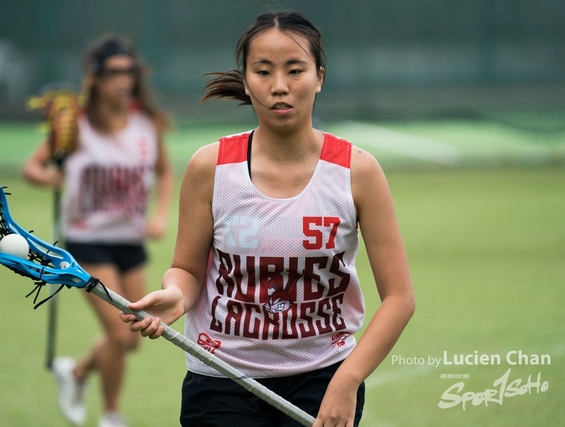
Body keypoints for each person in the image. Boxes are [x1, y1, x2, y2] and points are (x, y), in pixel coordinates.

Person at [121, 10, 415, 427]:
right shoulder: (210, 167)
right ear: (246, 80)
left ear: (320, 77)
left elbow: (400, 298)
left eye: (295, 70)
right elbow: (187, 268)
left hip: (323, 378)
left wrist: (347, 380)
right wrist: (177, 295)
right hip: (219, 377)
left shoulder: (357, 172)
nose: (279, 87)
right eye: (263, 71)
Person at [23, 34, 174, 427]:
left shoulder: (144, 123)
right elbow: (33, 168)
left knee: (132, 337)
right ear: (96, 78)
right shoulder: (75, 126)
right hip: (87, 240)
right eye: (113, 74)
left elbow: (164, 170)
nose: (122, 81)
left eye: (129, 73)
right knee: (120, 331)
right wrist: (50, 179)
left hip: (130, 240)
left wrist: (159, 214)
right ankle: (111, 416)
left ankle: (75, 373)